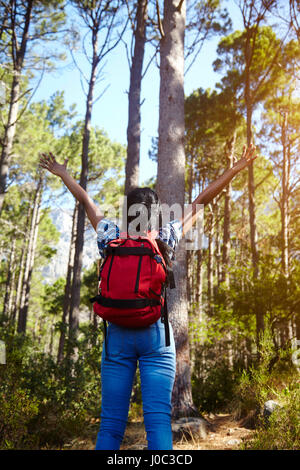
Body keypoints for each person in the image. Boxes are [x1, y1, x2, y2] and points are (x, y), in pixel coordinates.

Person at [39, 143, 258, 450]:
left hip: (116, 335)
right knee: (157, 422)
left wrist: (63, 175)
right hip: (156, 336)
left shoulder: (110, 235)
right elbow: (200, 202)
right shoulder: (165, 236)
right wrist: (232, 171)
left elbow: (86, 201)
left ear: (128, 212)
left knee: (111, 424)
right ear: (155, 215)